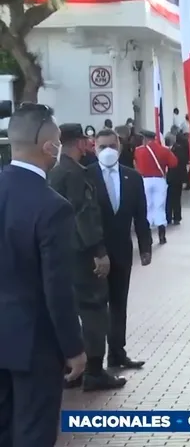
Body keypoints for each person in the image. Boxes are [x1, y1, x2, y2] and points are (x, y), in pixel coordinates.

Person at [0, 104, 87, 446]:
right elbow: (58, 287)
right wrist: (74, 347)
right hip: (34, 345)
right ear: (49, 147)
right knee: (34, 432)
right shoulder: (52, 206)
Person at [48, 123, 126, 391]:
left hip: (61, 253)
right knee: (94, 309)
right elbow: (85, 217)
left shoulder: (55, 173)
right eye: (87, 141)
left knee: (67, 309)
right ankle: (94, 369)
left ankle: (72, 368)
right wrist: (99, 252)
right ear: (80, 143)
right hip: (82, 254)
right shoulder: (77, 175)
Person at [89, 129, 152, 369]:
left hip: (122, 251)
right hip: (95, 253)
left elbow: (141, 214)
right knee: (96, 306)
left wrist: (145, 246)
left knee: (118, 304)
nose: (107, 151)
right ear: (94, 148)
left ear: (120, 147)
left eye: (112, 146)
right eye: (102, 146)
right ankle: (93, 358)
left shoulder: (132, 177)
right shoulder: (86, 177)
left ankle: (117, 353)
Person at [134, 130, 178, 244]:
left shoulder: (138, 150)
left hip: (145, 181)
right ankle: (162, 235)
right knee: (159, 206)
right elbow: (174, 163)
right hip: (159, 180)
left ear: (145, 139)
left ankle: (148, 237)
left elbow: (136, 164)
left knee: (147, 207)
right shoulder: (164, 150)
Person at [166, 132, 190, 225]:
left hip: (176, 177)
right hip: (169, 177)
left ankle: (176, 216)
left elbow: (182, 163)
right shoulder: (168, 149)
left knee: (175, 198)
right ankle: (168, 216)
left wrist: (184, 179)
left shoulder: (178, 149)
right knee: (168, 198)